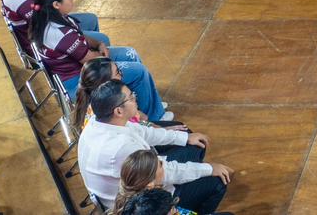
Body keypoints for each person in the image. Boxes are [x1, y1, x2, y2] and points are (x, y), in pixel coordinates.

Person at [79, 81, 231, 213]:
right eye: (131, 97)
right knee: (216, 181)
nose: (135, 98)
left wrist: (184, 138)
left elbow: (141, 132)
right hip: (141, 206)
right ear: (118, 111)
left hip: (133, 186)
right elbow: (165, 173)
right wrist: (209, 169)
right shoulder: (121, 148)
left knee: (190, 139)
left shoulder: (98, 121)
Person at [29, 0, 168, 121]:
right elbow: (92, 59)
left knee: (130, 53)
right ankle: (155, 117)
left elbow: (80, 35)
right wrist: (104, 54)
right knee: (139, 72)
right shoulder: (59, 35)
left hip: (84, 67)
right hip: (79, 79)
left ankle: (144, 102)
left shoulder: (54, 17)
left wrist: (100, 44)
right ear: (56, 4)